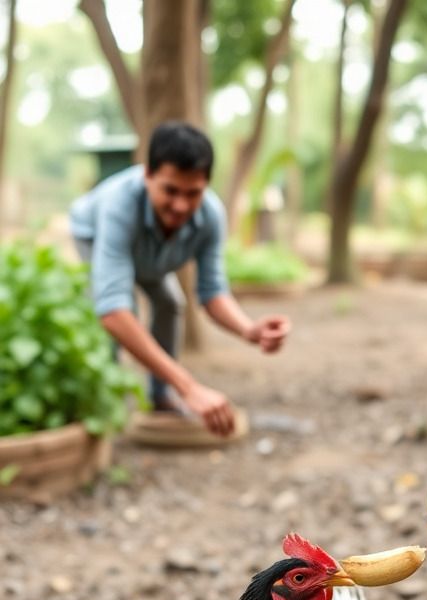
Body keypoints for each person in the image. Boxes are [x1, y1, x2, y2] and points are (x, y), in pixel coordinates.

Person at [70, 121, 290, 437]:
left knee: (171, 302)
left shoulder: (211, 215)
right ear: (147, 175)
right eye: (170, 190)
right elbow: (113, 312)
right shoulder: (120, 206)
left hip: (149, 256)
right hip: (93, 235)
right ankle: (106, 402)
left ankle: (161, 396)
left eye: (193, 193)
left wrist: (249, 330)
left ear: (206, 186)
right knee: (118, 312)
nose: (181, 206)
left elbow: (213, 291)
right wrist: (190, 386)